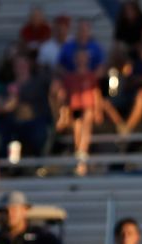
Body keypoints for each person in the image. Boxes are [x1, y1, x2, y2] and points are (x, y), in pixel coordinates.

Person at [61, 48, 100, 176]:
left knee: (87, 117)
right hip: (75, 110)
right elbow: (65, 98)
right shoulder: (69, 77)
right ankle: (81, 159)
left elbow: (96, 93)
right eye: (79, 58)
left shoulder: (91, 76)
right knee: (77, 125)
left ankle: (80, 158)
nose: (81, 60)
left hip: (88, 109)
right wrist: (63, 116)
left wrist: (98, 111)